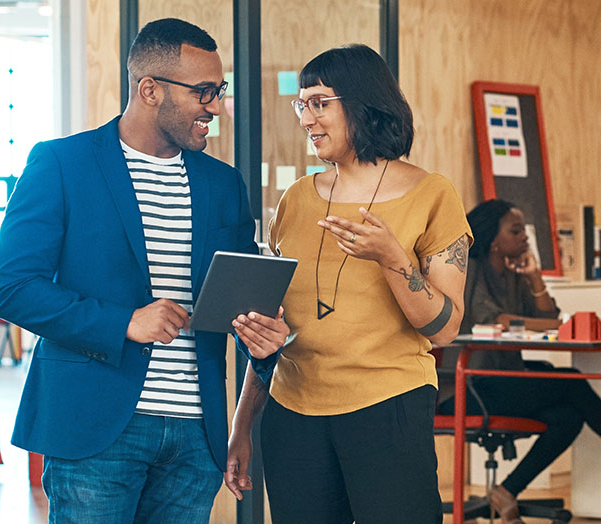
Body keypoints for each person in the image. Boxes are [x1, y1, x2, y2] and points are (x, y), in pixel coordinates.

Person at [0, 18, 287, 524]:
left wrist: (262, 338)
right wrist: (123, 321)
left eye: (219, 91)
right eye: (204, 92)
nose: (215, 107)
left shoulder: (223, 184)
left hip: (196, 435)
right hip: (94, 428)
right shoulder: (61, 164)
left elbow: (236, 303)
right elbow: (13, 289)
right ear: (150, 89)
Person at [224, 43, 472, 524]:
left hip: (389, 407)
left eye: (319, 103)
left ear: (362, 102)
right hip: (292, 413)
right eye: (302, 104)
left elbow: (443, 328)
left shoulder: (431, 194)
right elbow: (269, 329)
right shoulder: (295, 199)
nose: (305, 119)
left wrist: (391, 256)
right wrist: (242, 424)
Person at [437, 198, 601, 524]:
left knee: (567, 415)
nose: (526, 238)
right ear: (494, 240)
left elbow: (546, 316)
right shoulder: (470, 271)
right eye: (516, 231)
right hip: (466, 387)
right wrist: (551, 325)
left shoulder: (514, 275)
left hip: (500, 381)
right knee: (571, 382)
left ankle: (507, 491)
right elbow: (496, 320)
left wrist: (537, 278)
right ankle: (506, 492)